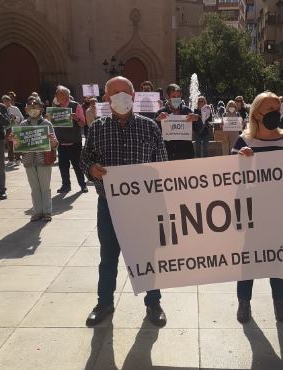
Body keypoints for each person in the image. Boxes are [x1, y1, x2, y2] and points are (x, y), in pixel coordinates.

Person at [80, 76, 169, 327]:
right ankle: (105, 303)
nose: (121, 97)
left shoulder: (150, 127)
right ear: (106, 99)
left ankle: (153, 304)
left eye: (125, 92)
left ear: (134, 95)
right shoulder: (97, 128)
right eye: (114, 93)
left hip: (142, 206)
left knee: (147, 256)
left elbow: (162, 165)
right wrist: (92, 169)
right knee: (108, 256)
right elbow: (84, 159)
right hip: (109, 205)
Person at [231, 91, 283, 324]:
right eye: (271, 110)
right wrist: (240, 161)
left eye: (278, 108)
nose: (277, 113)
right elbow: (230, 178)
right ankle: (244, 303)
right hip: (251, 210)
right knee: (248, 259)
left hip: (279, 211)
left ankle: (279, 303)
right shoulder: (243, 142)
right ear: (256, 114)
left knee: (278, 258)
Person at [8, 97, 58, 221]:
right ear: (26, 109)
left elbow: (55, 144)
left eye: (36, 107)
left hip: (44, 160)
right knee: (34, 188)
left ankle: (47, 211)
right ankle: (37, 211)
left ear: (41, 109)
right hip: (29, 161)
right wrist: (14, 141)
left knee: (45, 187)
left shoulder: (47, 124)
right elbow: (19, 145)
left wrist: (53, 141)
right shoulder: (23, 124)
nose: (33, 109)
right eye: (30, 107)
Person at [51, 85, 88, 193]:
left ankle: (82, 185)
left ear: (66, 95)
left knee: (77, 165)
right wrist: (49, 119)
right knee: (63, 166)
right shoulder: (55, 109)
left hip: (74, 142)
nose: (57, 96)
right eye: (57, 94)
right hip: (61, 142)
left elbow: (82, 124)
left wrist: (76, 118)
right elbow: (51, 125)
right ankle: (66, 185)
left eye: (59, 94)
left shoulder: (76, 106)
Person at [155, 84, 199, 160]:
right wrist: (157, 120)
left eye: (178, 96)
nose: (176, 99)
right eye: (173, 97)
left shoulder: (187, 111)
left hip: (186, 153)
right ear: (168, 97)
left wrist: (197, 119)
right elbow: (154, 133)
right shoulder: (160, 112)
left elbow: (199, 129)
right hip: (167, 153)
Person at [2, 95, 24, 166]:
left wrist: (14, 117)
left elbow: (21, 118)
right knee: (9, 145)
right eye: (3, 101)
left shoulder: (15, 108)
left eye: (6, 101)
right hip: (7, 128)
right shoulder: (2, 108)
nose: (5, 102)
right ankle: (10, 159)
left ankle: (18, 159)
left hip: (15, 128)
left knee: (16, 144)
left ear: (9, 101)